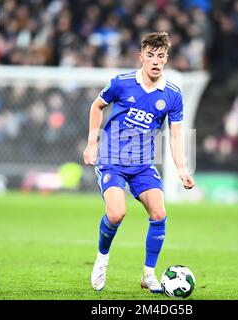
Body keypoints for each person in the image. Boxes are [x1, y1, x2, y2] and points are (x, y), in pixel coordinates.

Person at [82, 32, 195, 293]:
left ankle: (148, 274)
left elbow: (176, 134)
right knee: (116, 213)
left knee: (159, 213)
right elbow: (96, 106)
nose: (155, 61)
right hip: (112, 160)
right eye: (151, 55)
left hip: (143, 164)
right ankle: (102, 259)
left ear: (166, 59)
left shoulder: (173, 95)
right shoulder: (121, 83)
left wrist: (181, 169)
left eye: (161, 56)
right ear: (141, 56)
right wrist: (92, 142)